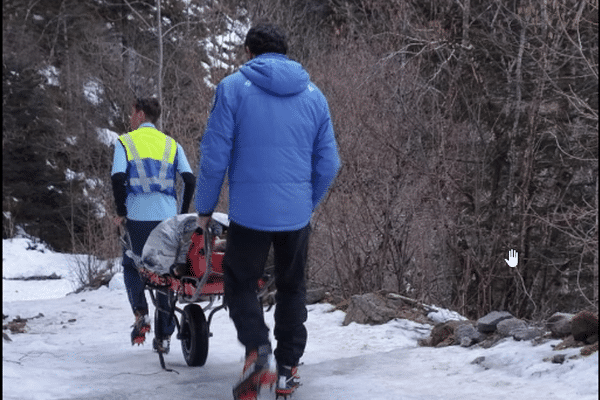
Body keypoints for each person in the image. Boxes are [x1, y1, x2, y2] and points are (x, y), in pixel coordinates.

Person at [195, 23, 340, 398]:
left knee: (239, 281)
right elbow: (328, 164)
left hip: (250, 214)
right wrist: (307, 204)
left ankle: (258, 350)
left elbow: (214, 157)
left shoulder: (232, 88)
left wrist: (205, 209)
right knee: (293, 287)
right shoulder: (314, 96)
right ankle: (288, 369)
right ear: (285, 51)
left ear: (249, 52)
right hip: (296, 215)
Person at [111, 97, 195, 354]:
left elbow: (118, 178)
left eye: (131, 112)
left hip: (137, 218)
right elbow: (189, 180)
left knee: (132, 266)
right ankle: (164, 337)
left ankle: (141, 315)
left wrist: (121, 211)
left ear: (139, 114)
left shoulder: (125, 142)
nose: (129, 117)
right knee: (165, 275)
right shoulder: (171, 144)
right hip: (167, 220)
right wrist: (180, 214)